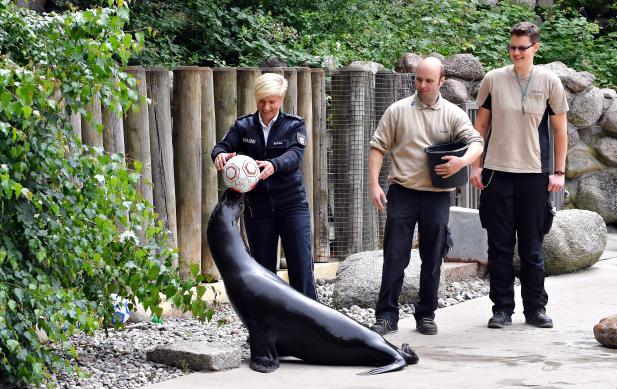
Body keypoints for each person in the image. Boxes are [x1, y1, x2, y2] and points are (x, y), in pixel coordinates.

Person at [369, 57, 484, 335]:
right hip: (403, 192)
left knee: (433, 257)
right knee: (395, 256)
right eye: (419, 79)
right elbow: (378, 147)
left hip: (437, 196)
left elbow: (477, 142)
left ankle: (427, 314)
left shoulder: (452, 114)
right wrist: (374, 184)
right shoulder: (398, 110)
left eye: (429, 80)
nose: (422, 85)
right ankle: (386, 315)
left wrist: (461, 162)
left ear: (441, 82)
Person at [470, 22, 568, 329]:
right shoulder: (493, 80)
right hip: (498, 173)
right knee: (498, 247)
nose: (515, 52)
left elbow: (560, 129)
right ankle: (501, 309)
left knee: (532, 247)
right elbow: (480, 127)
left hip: (533, 175)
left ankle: (535, 309)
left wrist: (558, 172)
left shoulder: (549, 82)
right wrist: (475, 164)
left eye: (521, 48)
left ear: (535, 48)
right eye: (512, 46)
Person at [211, 72, 317, 300]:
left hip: (292, 206)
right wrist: (219, 155)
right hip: (257, 209)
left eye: (272, 101)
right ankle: (265, 331)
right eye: (261, 101)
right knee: (263, 271)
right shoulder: (244, 126)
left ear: (281, 99)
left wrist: (274, 164)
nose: (266, 106)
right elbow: (222, 146)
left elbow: (295, 155)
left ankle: (309, 330)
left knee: (301, 268)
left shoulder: (294, 125)